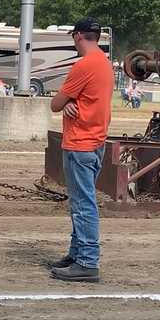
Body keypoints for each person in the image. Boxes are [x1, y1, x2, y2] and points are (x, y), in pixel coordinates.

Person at [49, 17, 114, 283]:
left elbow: (55, 103)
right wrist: (69, 103)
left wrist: (65, 103)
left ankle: (87, 261)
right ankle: (77, 254)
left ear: (78, 36)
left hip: (80, 143)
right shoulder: (104, 63)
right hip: (96, 142)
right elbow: (81, 100)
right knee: (81, 202)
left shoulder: (84, 65)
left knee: (83, 204)